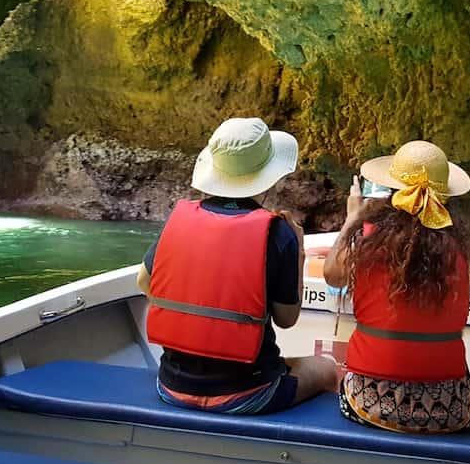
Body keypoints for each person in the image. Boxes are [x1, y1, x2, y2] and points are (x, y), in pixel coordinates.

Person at [137, 117, 337, 414]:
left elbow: (144, 281)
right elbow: (287, 319)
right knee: (327, 368)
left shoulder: (179, 221)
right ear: (268, 176)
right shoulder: (279, 233)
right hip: (248, 393)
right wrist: (298, 253)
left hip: (171, 386)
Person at [323, 141, 470, 434]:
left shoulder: (371, 242)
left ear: (392, 191)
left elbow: (332, 276)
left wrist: (353, 219)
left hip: (369, 404)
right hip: (449, 410)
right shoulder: (460, 249)